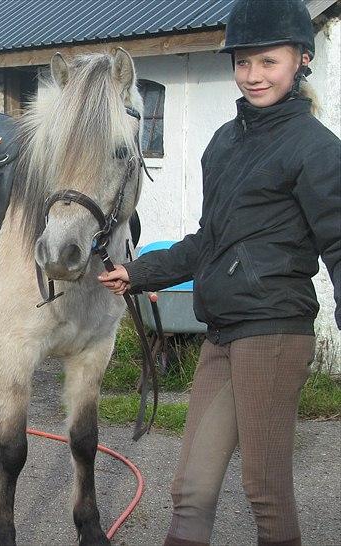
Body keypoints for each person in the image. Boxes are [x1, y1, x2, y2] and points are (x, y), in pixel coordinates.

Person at [98, 0, 340, 545]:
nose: (253, 75)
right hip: (223, 333)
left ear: (301, 60)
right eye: (243, 62)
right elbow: (210, 240)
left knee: (265, 491)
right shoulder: (225, 143)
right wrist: (139, 273)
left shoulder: (317, 150)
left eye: (268, 62)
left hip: (275, 332)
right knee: (191, 489)